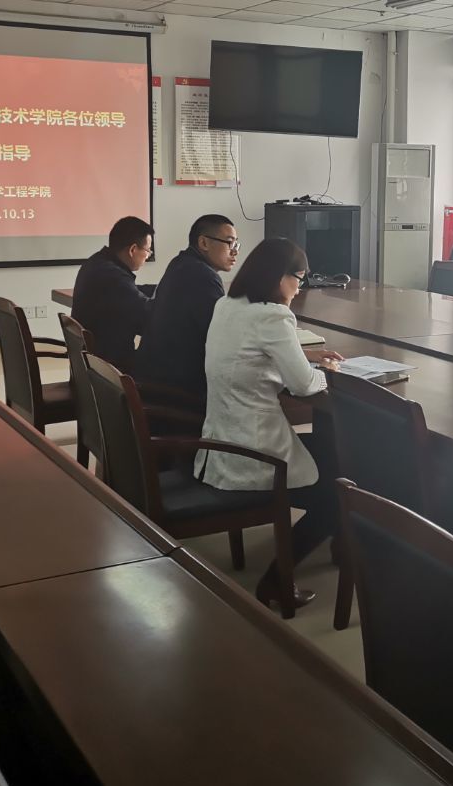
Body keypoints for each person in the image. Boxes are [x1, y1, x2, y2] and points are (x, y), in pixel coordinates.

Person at [195, 237, 343, 609]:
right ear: (279, 277)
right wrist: (329, 371)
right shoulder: (273, 317)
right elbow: (303, 385)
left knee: (333, 454)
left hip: (221, 444)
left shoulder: (227, 305)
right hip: (257, 454)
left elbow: (253, 355)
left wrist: (305, 355)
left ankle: (343, 548)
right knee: (337, 495)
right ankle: (277, 580)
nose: (299, 288)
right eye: (299, 279)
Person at [134, 214, 240, 398]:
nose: (235, 251)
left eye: (236, 244)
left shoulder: (181, 262)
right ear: (204, 243)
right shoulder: (203, 276)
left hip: (154, 377)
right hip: (176, 390)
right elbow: (222, 337)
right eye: (230, 243)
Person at [70, 216, 154, 376]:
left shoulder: (98, 262)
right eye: (148, 250)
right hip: (111, 374)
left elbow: (131, 291)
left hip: (92, 368)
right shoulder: (114, 277)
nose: (148, 255)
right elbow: (146, 316)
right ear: (132, 250)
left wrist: (163, 289)